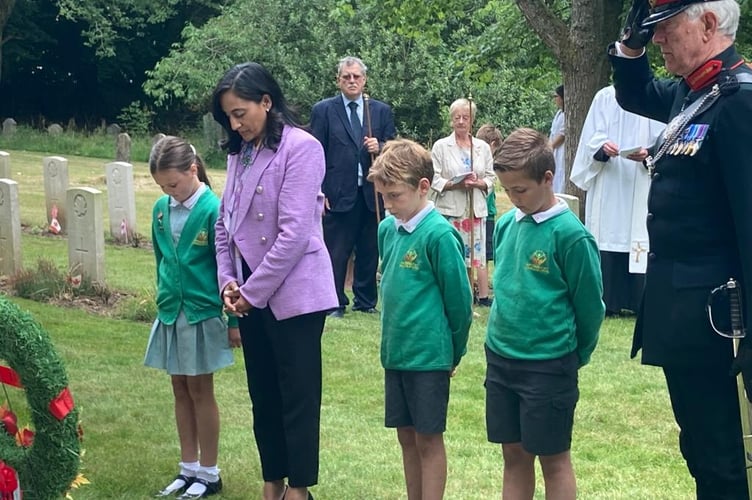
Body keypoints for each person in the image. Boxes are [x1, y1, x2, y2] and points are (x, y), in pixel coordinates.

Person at [612, 0, 752, 496]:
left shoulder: (738, 103)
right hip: (684, 320)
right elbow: (635, 92)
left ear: (708, 25)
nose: (658, 40)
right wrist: (631, 40)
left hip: (722, 324)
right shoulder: (695, 92)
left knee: (727, 461)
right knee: (701, 453)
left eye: (665, 28)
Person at [211, 62, 338, 500]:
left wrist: (251, 292)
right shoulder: (238, 153)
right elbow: (225, 222)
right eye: (229, 115)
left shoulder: (302, 148)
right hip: (248, 292)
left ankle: (299, 489)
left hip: (295, 294)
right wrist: (229, 281)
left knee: (297, 397)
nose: (235, 123)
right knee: (262, 395)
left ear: (266, 101)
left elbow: (294, 233)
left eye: (241, 112)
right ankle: (272, 483)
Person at [486, 128, 604, 500]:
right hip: (502, 359)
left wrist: (573, 356)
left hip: (549, 365)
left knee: (553, 460)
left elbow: (590, 308)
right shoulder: (506, 225)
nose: (513, 198)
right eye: (507, 190)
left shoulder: (571, 236)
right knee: (513, 456)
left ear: (547, 178)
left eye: (520, 190)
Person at [368, 138, 473, 500]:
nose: (389, 204)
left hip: (429, 356)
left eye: (395, 195)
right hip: (396, 353)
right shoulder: (387, 230)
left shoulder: (440, 236)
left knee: (428, 439)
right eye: (384, 196)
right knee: (405, 436)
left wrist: (453, 353)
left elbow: (459, 304)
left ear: (423, 187)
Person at [144, 136, 241, 499]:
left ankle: (209, 472)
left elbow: (228, 267)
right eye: (162, 186)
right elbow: (161, 261)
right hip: (171, 313)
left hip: (202, 314)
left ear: (192, 169)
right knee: (179, 389)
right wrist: (163, 298)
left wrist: (233, 322)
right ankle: (187, 468)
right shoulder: (159, 209)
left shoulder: (213, 209)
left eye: (173, 183)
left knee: (201, 390)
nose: (169, 191)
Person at [310, 56, 397, 318]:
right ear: (338, 80)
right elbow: (314, 153)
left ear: (364, 80)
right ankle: (334, 301)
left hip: (371, 193)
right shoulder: (324, 110)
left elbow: (394, 149)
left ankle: (366, 300)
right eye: (346, 76)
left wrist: (380, 147)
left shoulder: (379, 111)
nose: (351, 81)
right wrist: (319, 190)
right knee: (337, 250)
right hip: (337, 192)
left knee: (370, 249)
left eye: (356, 76)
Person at [570, 85, 664, 316]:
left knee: (639, 235)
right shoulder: (605, 96)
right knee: (607, 232)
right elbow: (592, 135)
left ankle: (638, 301)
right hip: (610, 178)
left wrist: (650, 152)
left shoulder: (652, 96)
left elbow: (665, 136)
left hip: (641, 179)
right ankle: (608, 300)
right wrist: (602, 147)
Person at [430, 98, 496, 307]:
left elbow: (491, 177)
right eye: (456, 118)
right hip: (450, 209)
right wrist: (453, 185)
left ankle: (475, 296)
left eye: (465, 117)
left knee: (475, 256)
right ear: (451, 120)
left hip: (474, 209)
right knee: (453, 256)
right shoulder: (441, 146)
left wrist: (479, 183)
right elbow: (434, 178)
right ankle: (452, 295)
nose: (460, 121)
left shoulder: (482, 147)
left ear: (472, 121)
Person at [476, 124, 504, 273]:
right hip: (487, 214)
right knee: (485, 256)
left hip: (480, 213)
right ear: (492, 144)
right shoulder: (487, 165)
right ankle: (483, 292)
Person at [549, 84, 566, 193]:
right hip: (554, 150)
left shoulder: (566, 114)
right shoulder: (559, 114)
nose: (555, 99)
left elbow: (562, 134)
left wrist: (551, 146)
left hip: (562, 150)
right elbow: (553, 132)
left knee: (561, 174)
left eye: (556, 96)